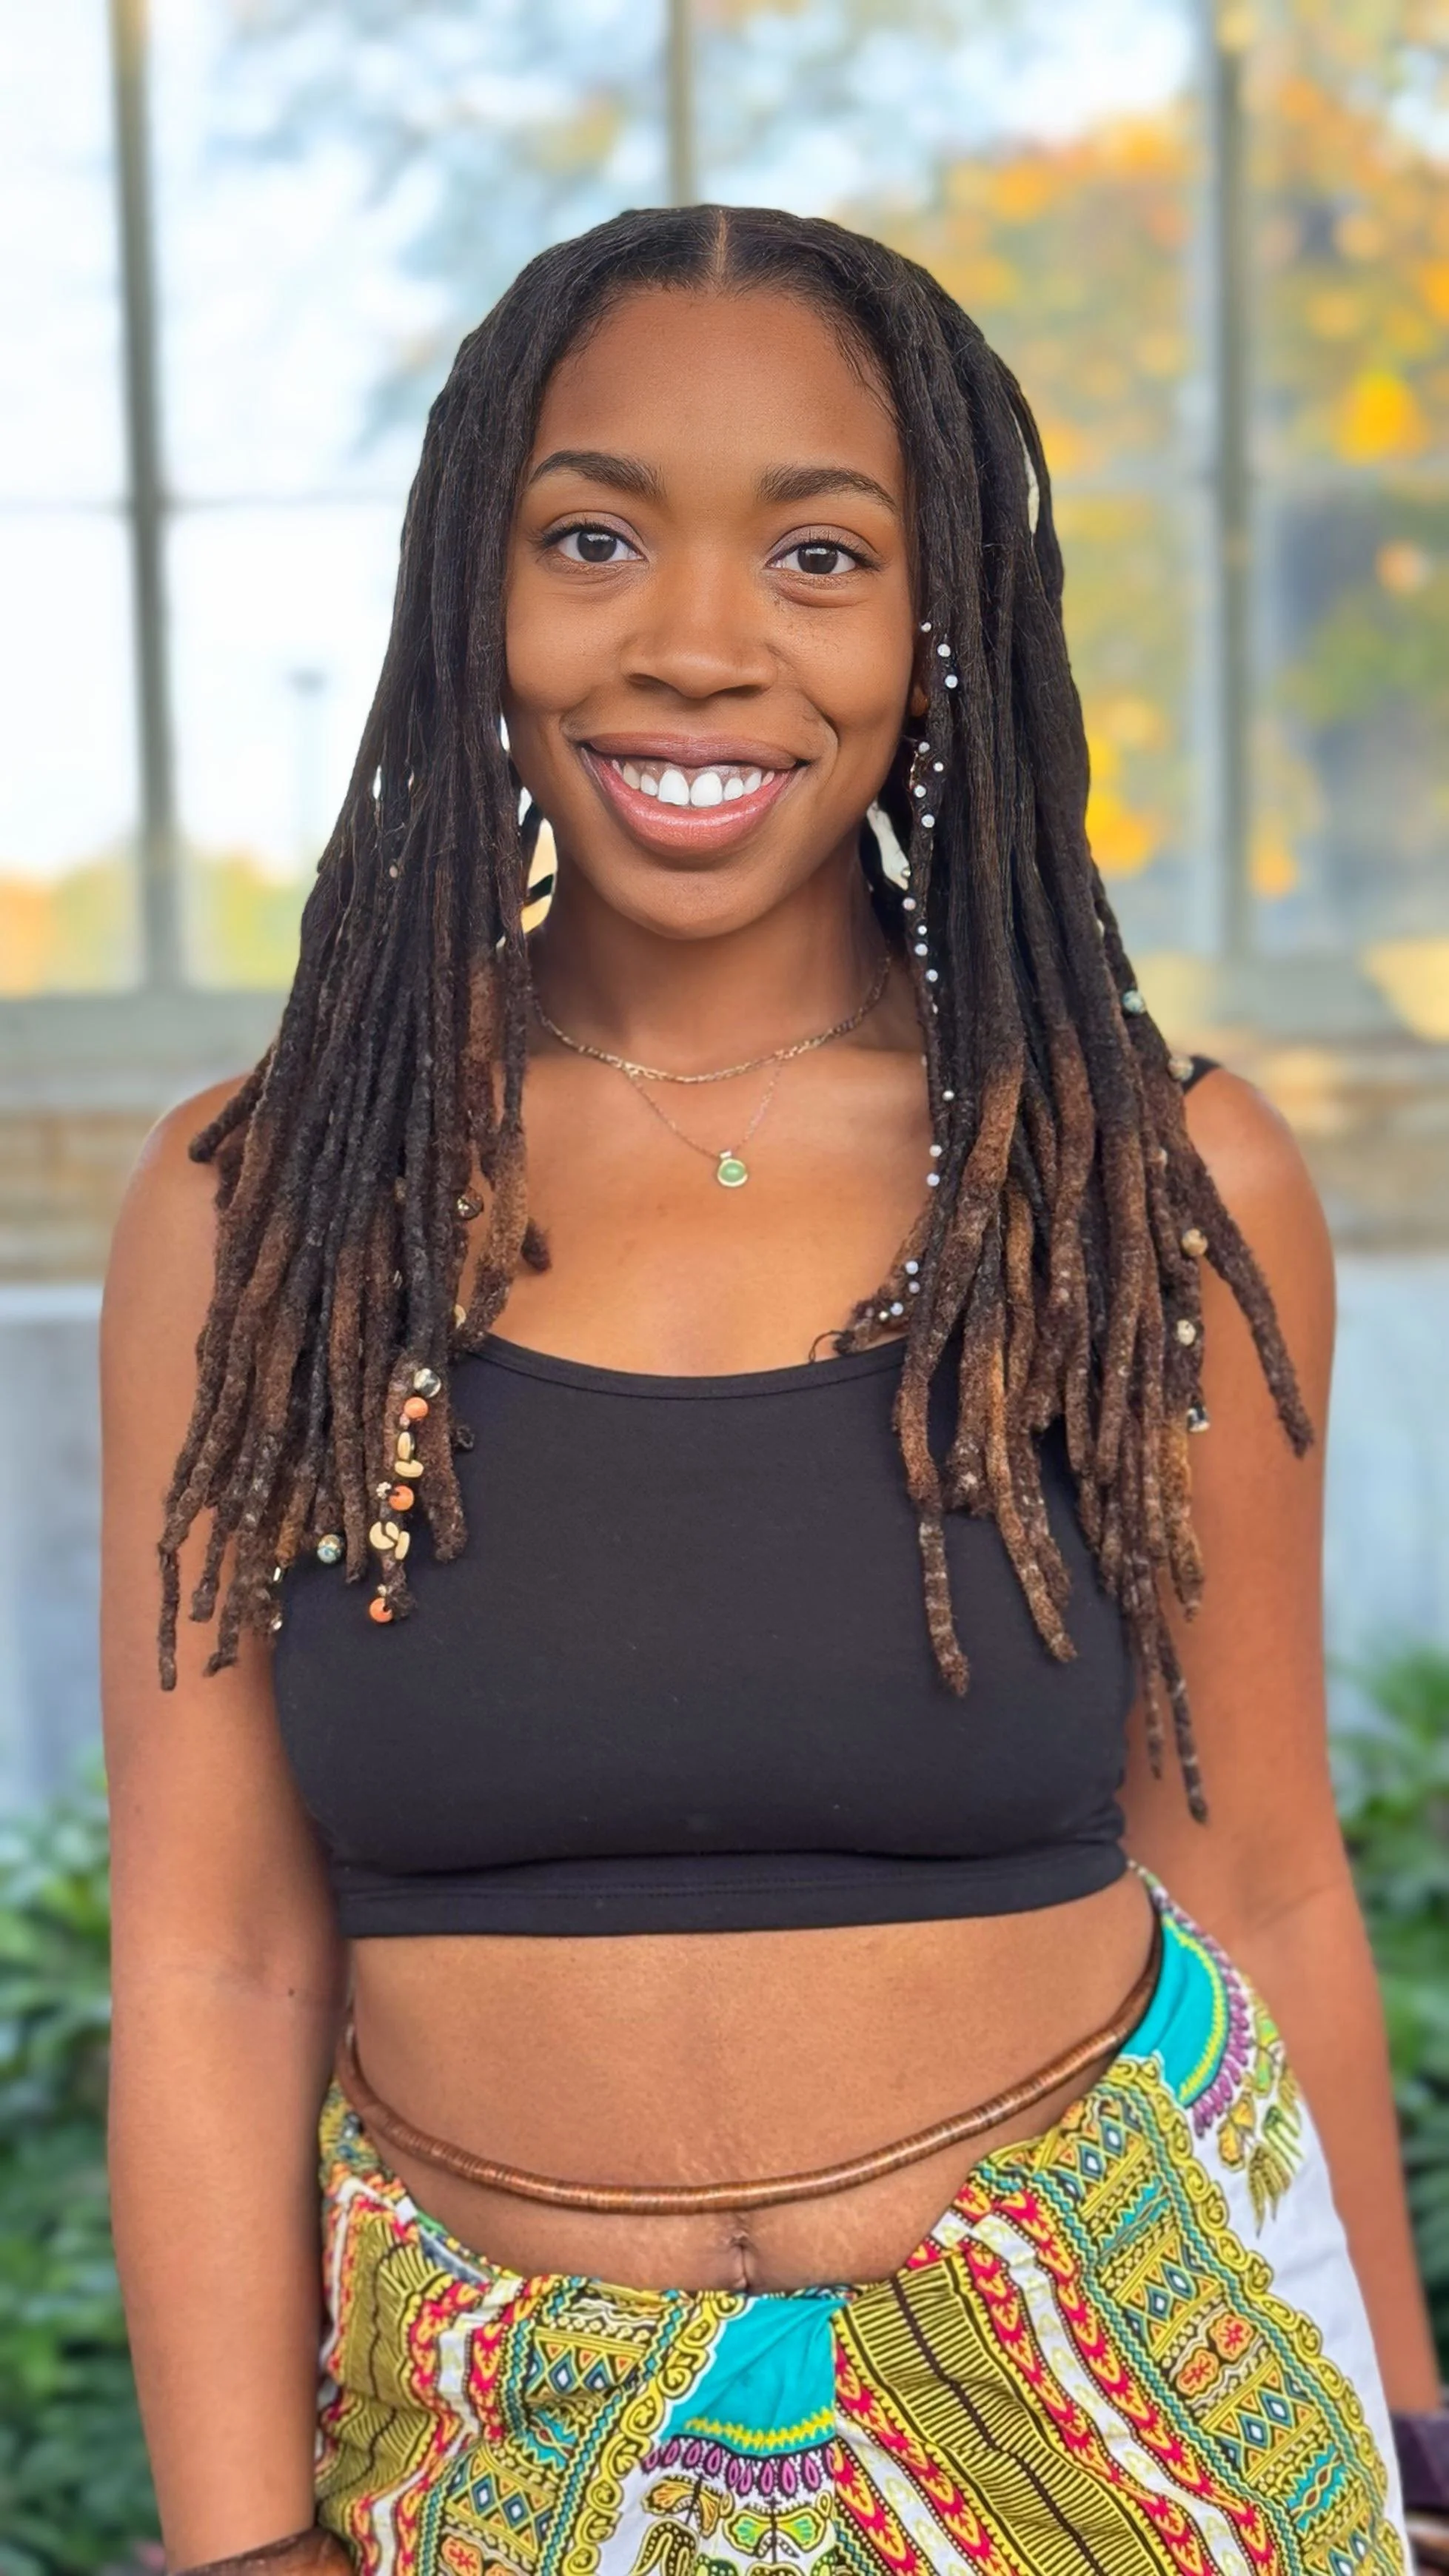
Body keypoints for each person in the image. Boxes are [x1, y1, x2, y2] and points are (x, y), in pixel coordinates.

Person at [101, 206, 1445, 2576]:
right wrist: (240, 2547)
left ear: (941, 631)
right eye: (591, 538)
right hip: (504, 2453)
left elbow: (1249, 1866)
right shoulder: (268, 1204)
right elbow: (216, 1954)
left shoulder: (1139, 1181)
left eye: (820, 555)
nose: (699, 644)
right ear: (466, 598)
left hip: (1128, 2420)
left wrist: (1418, 2458)